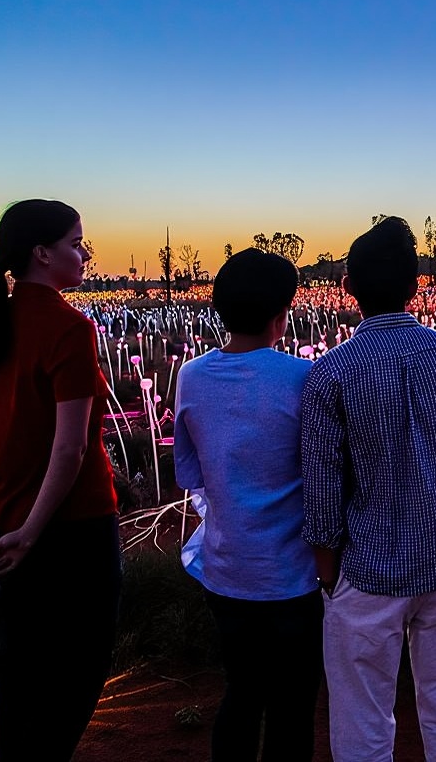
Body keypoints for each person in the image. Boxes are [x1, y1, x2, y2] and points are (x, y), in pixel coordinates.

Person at [301, 216, 436, 762]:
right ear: (416, 287)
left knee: (362, 715)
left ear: (348, 289)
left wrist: (328, 574)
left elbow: (322, 492)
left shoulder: (331, 374)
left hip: (368, 570)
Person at [0, 199, 121, 762]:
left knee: (20, 661)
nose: (84, 253)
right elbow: (69, 449)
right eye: (76, 242)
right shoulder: (69, 327)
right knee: (80, 663)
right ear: (42, 254)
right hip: (74, 528)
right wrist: (32, 532)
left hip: (5, 523)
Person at [173, 248, 322, 761]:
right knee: (292, 706)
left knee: (240, 693)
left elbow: (190, 473)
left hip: (227, 570)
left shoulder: (190, 377)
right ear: (282, 313)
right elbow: (321, 475)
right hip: (293, 577)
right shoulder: (304, 378)